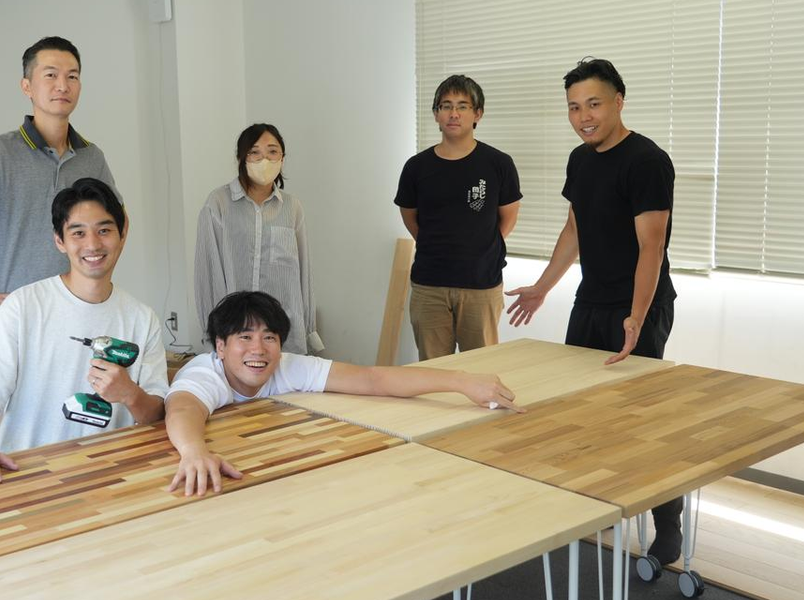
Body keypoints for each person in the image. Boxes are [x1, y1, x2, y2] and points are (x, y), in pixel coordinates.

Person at [504, 57, 681, 564]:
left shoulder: (646, 161)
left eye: (593, 104)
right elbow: (574, 230)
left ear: (618, 102)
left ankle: (667, 524)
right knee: (579, 412)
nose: (583, 117)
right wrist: (542, 288)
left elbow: (651, 247)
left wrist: (636, 317)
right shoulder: (580, 160)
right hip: (591, 301)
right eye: (574, 107)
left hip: (639, 306)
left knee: (642, 421)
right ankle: (593, 507)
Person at [164, 291, 522, 496]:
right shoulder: (206, 371)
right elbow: (182, 408)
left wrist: (461, 381)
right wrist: (194, 451)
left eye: (269, 337)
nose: (258, 349)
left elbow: (372, 379)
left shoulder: (287, 365)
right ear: (220, 346)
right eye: (245, 337)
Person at [0, 179, 166, 488]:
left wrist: (130, 394)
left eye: (104, 230)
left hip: (109, 478)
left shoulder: (142, 319)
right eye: (78, 233)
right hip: (27, 478)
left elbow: (157, 414)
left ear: (122, 235)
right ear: (59, 241)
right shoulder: (24, 306)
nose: (93, 244)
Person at [0, 36, 121, 317]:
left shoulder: (92, 157)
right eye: (51, 75)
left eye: (72, 76)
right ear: (27, 86)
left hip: (81, 313)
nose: (63, 85)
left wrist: (99, 276)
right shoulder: (0, 152)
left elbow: (120, 222)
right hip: (20, 315)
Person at [395, 75, 522, 360]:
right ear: (436, 114)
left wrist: (479, 245)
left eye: (463, 106)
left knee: (481, 366)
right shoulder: (416, 167)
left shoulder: (498, 163)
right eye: (446, 106)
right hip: (429, 285)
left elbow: (508, 218)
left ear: (478, 114)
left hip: (481, 283)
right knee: (433, 369)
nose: (454, 113)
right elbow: (410, 217)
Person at [194, 124, 322, 356]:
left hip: (282, 332)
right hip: (235, 331)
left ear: (282, 158)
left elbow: (303, 272)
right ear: (241, 158)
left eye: (272, 151)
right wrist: (212, 333)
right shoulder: (218, 203)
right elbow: (207, 273)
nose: (264, 160)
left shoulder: (292, 207)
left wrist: (308, 330)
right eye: (255, 152)